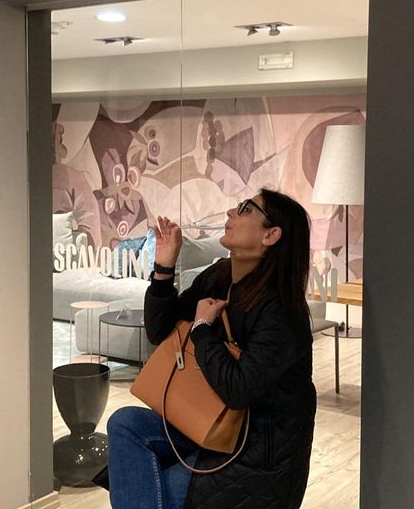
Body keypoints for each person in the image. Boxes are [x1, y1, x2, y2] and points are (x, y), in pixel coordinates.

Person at [106, 188, 316, 509]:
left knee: (150, 487)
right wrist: (164, 268)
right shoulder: (219, 276)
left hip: (254, 454)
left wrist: (203, 330)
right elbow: (159, 330)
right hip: (203, 421)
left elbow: (238, 390)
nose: (231, 212)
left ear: (271, 235)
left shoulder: (283, 311)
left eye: (245, 209)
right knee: (125, 424)